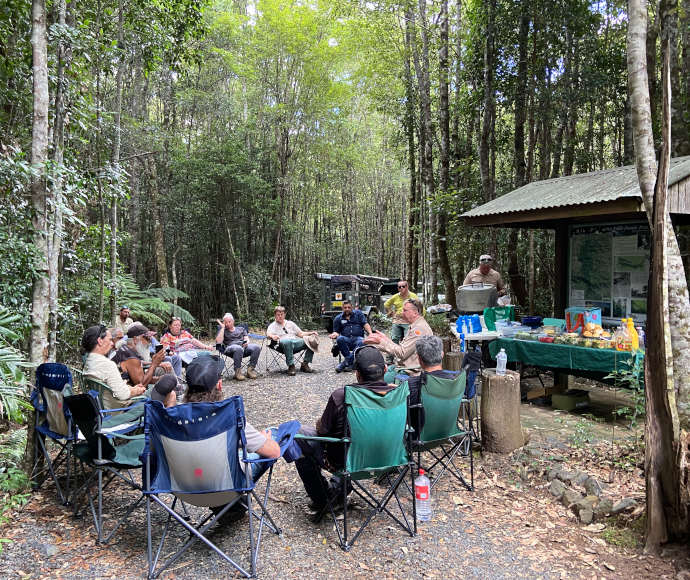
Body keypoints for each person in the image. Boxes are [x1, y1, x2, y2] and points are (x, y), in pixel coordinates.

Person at [294, 346, 396, 519]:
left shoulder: (341, 396)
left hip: (347, 462)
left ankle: (324, 498)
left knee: (298, 435)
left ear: (357, 373)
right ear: (385, 370)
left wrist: (321, 422)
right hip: (389, 457)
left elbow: (322, 430)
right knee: (348, 441)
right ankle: (339, 489)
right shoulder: (398, 394)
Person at [184, 355, 280, 521]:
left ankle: (232, 509)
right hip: (226, 485)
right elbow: (274, 452)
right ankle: (231, 505)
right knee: (275, 434)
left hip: (186, 488)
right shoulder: (229, 416)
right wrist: (262, 438)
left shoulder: (170, 418)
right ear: (219, 385)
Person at [81, 325, 148, 410]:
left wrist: (132, 388)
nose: (112, 343)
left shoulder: (89, 361)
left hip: (102, 407)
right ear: (100, 341)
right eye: (109, 340)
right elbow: (123, 395)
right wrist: (137, 391)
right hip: (118, 411)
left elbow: (113, 387)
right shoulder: (107, 365)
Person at [364, 298, 433, 378]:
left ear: (415, 312)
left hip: (410, 372)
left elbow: (402, 353)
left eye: (405, 310)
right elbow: (402, 349)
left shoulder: (419, 329)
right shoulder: (416, 325)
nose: (402, 313)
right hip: (404, 367)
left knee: (374, 380)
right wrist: (385, 339)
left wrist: (382, 342)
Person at [406, 336, 457, 436]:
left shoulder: (411, 385)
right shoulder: (455, 380)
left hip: (420, 437)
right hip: (449, 432)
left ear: (419, 358)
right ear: (442, 355)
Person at [112, 322, 171, 388]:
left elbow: (140, 378)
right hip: (124, 394)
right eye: (147, 339)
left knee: (168, 380)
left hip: (125, 389)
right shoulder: (130, 357)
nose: (149, 343)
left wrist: (159, 379)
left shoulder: (128, 351)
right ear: (135, 339)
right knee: (169, 393)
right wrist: (154, 364)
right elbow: (141, 385)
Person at [266, 306, 317, 376]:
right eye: (278, 315)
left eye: (282, 314)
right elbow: (268, 334)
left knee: (311, 340)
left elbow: (301, 334)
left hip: (295, 343)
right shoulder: (272, 326)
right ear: (275, 315)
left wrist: (311, 333)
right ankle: (291, 366)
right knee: (287, 341)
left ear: (284, 315)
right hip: (282, 345)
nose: (280, 316)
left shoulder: (290, 323)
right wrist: (272, 336)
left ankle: (305, 364)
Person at [328, 300, 372, 373]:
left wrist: (370, 334)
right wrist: (334, 334)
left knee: (363, 341)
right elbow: (336, 331)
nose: (347, 309)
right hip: (346, 339)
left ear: (352, 307)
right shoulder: (338, 318)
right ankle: (350, 362)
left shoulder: (359, 314)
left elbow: (365, 324)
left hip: (357, 338)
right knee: (340, 339)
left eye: (349, 307)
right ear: (342, 308)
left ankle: (345, 363)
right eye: (345, 307)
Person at [215, 313, 260, 381]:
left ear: (233, 321)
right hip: (230, 348)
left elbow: (246, 338)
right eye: (225, 322)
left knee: (256, 347)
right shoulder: (223, 330)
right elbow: (218, 341)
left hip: (243, 347)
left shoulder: (241, 329)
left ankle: (250, 370)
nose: (227, 324)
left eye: (229, 322)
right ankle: (237, 372)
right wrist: (222, 328)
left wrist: (247, 342)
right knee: (238, 348)